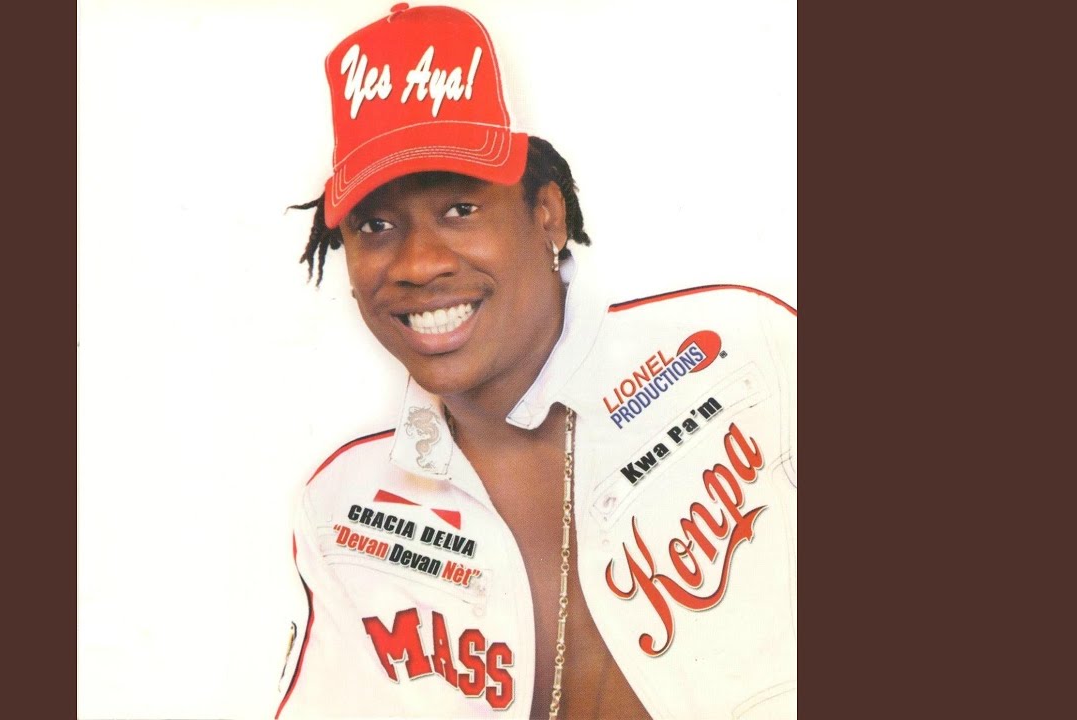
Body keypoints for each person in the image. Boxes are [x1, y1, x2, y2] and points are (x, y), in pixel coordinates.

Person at [275, 4, 796, 719]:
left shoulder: (737, 353)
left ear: (546, 213)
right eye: (376, 224)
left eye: (460, 208)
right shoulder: (344, 510)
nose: (419, 263)